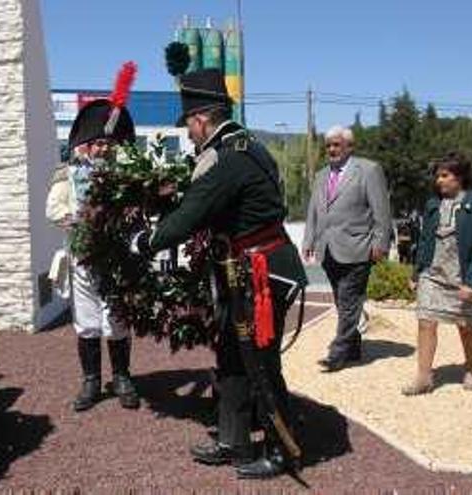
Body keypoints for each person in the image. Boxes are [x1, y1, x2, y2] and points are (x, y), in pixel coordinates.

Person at [131, 68, 308, 479]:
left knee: (260, 363)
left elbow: (191, 216)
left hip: (263, 273)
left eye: (189, 127)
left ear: (201, 119)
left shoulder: (228, 159)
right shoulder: (243, 147)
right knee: (231, 357)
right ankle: (234, 440)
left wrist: (144, 241)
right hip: (245, 269)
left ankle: (285, 450)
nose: (189, 136)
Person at [45, 63, 141, 412]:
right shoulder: (66, 173)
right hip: (83, 256)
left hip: (115, 256)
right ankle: (90, 382)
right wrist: (82, 222)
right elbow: (53, 209)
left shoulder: (124, 173)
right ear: (84, 145)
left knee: (116, 317)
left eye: (107, 143)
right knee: (86, 320)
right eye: (97, 143)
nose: (102, 149)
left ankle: (122, 377)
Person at [302, 126, 392, 372]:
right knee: (343, 303)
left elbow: (381, 211)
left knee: (349, 299)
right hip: (328, 249)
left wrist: (380, 244)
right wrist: (309, 240)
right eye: (328, 145)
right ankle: (353, 348)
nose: (331, 149)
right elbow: (314, 209)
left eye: (336, 144)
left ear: (349, 147)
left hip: (359, 246)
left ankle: (337, 352)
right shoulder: (321, 175)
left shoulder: (368, 170)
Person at [403, 153, 472, 395]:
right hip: (433, 274)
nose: (438, 180)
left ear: (460, 177)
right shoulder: (432, 204)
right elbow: (424, 240)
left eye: (445, 175)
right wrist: (416, 272)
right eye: (437, 176)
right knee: (425, 321)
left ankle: (471, 368)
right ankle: (423, 377)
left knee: (466, 326)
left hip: (462, 276)